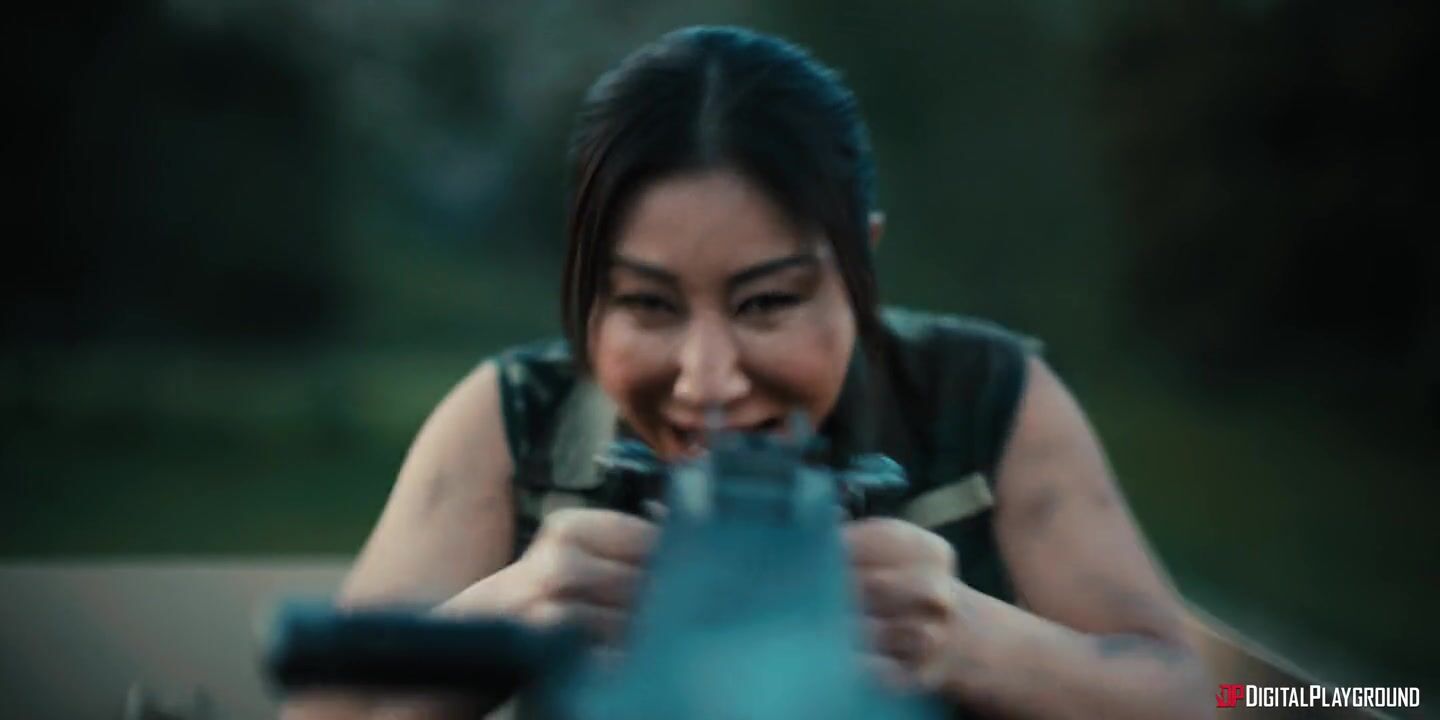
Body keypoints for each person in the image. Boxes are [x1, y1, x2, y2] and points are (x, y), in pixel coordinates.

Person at [285, 25, 1211, 720]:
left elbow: (1211, 697)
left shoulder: (984, 397)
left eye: (766, 303)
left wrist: (966, 640)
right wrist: (511, 615)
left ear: (861, 265)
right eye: (648, 304)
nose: (708, 381)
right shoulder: (515, 419)